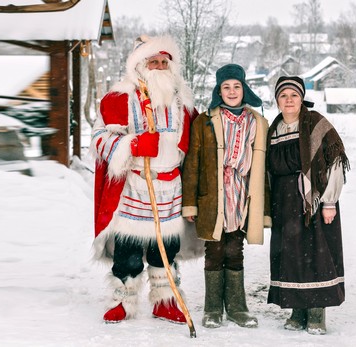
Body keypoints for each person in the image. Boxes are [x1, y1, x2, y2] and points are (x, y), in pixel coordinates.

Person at [91, 34, 201, 324]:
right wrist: (134, 145)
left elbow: (197, 147)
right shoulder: (119, 99)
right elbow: (99, 141)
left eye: (165, 61)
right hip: (136, 185)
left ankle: (165, 301)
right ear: (140, 65)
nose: (160, 66)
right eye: (154, 61)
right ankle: (123, 301)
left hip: (171, 187)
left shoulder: (183, 103)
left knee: (165, 250)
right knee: (128, 249)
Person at [182, 64, 271, 329]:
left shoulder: (257, 122)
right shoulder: (205, 121)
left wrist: (264, 209)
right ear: (218, 91)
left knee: (235, 250)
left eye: (236, 86)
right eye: (226, 87)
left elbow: (262, 170)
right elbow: (192, 164)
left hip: (243, 195)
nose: (232, 91)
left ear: (244, 89)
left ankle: (236, 307)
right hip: (213, 196)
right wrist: (189, 203)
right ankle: (212, 310)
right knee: (215, 250)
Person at [266, 76, 350, 334]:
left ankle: (316, 313)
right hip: (284, 205)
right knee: (290, 258)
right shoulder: (275, 127)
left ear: (302, 98)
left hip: (312, 203)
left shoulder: (315, 123)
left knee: (316, 257)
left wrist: (329, 202)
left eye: (293, 95)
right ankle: (297, 310)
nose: (288, 100)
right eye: (283, 96)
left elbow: (335, 161)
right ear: (277, 100)